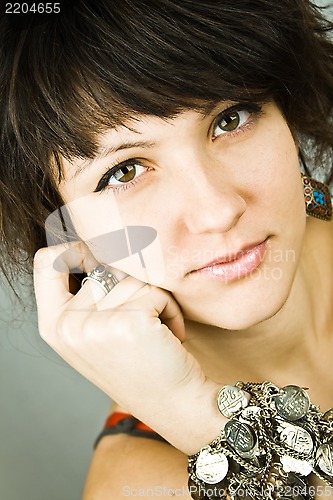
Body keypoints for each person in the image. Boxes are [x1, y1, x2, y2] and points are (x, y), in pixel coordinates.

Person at [1, 0, 333, 498]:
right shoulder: (139, 485)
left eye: (230, 119)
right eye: (125, 172)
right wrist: (195, 421)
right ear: (67, 233)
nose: (217, 211)